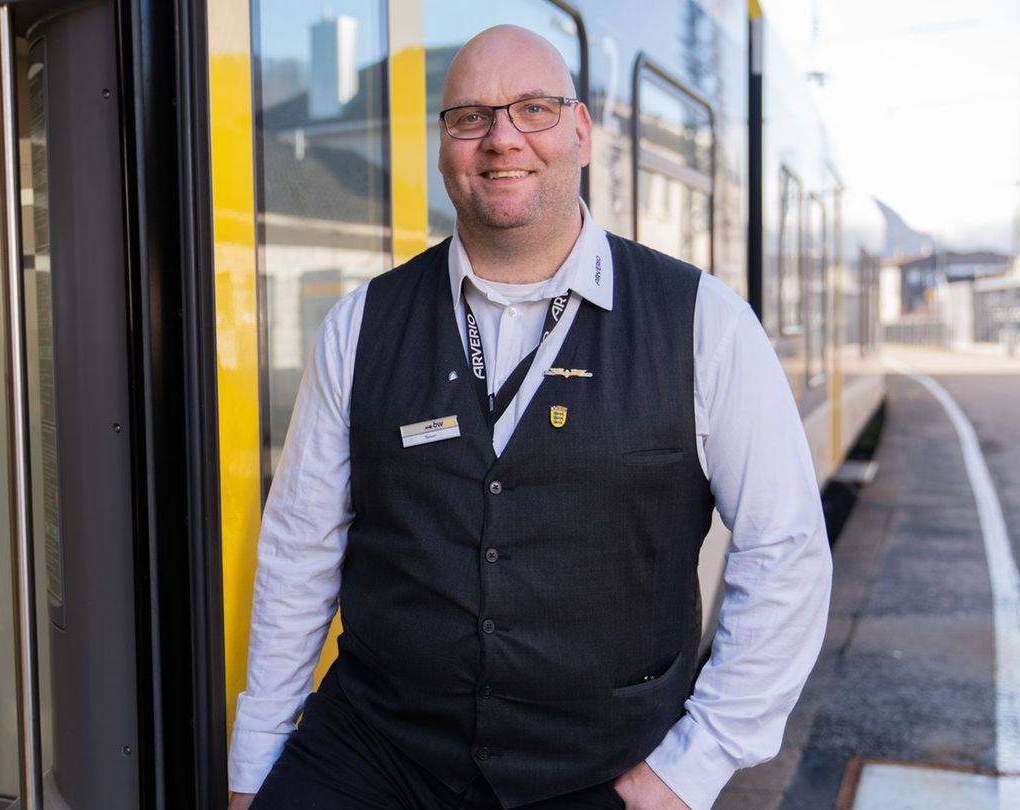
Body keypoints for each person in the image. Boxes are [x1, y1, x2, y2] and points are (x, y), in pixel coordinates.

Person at [227, 24, 830, 810]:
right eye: (470, 117)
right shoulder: (360, 324)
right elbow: (299, 550)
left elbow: (785, 552)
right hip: (373, 753)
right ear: (443, 146)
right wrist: (255, 766)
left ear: (581, 131)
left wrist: (691, 768)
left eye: (534, 109)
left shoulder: (704, 322)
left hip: (604, 770)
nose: (502, 138)